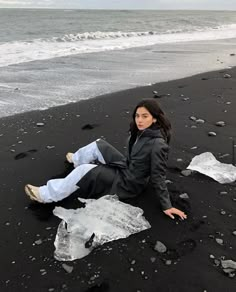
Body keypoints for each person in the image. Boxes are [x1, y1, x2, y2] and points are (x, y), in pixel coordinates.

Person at [25, 99, 187, 220]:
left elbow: (158, 176)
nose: (140, 120)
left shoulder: (158, 144)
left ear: (155, 118)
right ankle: (76, 159)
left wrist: (167, 206)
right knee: (98, 145)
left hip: (128, 183)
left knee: (85, 170)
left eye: (145, 116)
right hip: (126, 166)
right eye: (137, 115)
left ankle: (46, 195)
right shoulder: (140, 132)